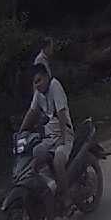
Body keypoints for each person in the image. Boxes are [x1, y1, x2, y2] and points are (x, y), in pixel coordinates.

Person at [20, 63, 74, 209]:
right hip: (50, 137)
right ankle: (51, 187)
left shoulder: (55, 86)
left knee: (58, 162)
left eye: (39, 80)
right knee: (35, 157)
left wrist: (62, 139)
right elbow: (31, 112)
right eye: (34, 82)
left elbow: (61, 113)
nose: (37, 85)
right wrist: (20, 132)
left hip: (65, 133)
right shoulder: (38, 93)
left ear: (46, 77)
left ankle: (67, 197)